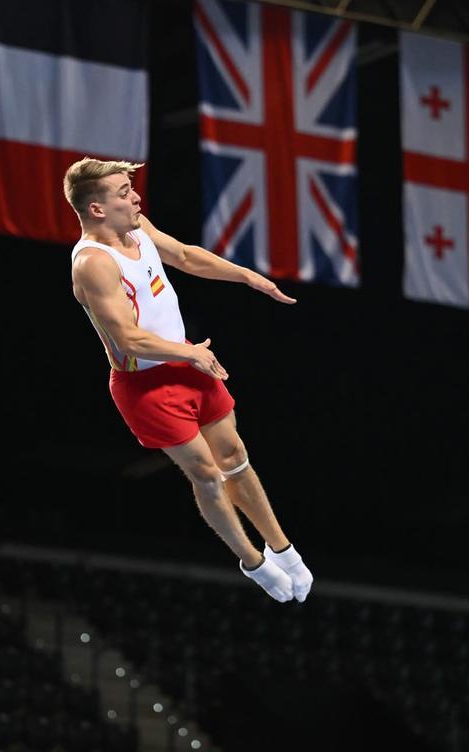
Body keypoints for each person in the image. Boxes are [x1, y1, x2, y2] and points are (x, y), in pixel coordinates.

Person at [66, 157, 313, 603]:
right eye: (123, 192)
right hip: (147, 386)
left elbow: (182, 256)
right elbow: (128, 338)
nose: (135, 197)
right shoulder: (93, 264)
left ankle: (285, 549)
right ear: (97, 208)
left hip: (189, 363)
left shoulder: (136, 229)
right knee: (206, 473)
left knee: (235, 454)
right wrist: (190, 353)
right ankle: (253, 562)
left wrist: (247, 277)